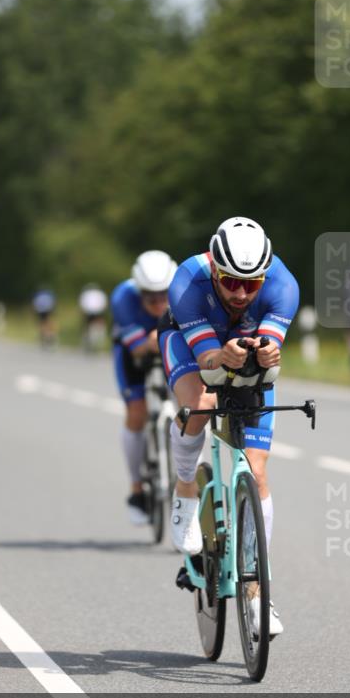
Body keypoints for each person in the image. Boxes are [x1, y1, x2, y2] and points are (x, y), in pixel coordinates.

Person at [158, 217, 299, 637]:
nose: (240, 293)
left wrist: (268, 355)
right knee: (200, 404)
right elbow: (207, 362)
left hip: (244, 350)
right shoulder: (186, 281)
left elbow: (269, 352)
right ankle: (185, 486)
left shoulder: (283, 286)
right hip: (189, 342)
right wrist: (223, 357)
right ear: (214, 269)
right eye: (231, 282)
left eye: (251, 285)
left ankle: (257, 595)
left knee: (256, 472)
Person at [110, 251, 178, 525]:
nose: (160, 303)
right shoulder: (122, 298)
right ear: (139, 292)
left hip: (169, 346)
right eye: (151, 297)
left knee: (193, 406)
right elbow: (138, 348)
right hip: (134, 353)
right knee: (136, 413)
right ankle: (137, 488)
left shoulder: (184, 292)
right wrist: (154, 340)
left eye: (165, 295)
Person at [78, 283, 108, 352]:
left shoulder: (86, 293)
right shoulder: (101, 293)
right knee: (99, 326)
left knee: (87, 327)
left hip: (89, 312)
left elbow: (82, 305)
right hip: (99, 311)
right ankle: (98, 342)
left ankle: (88, 342)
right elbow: (104, 304)